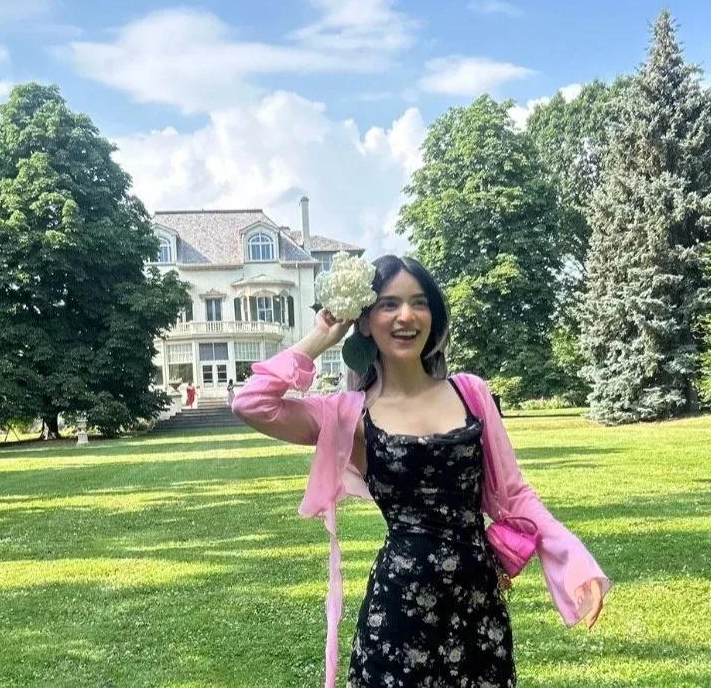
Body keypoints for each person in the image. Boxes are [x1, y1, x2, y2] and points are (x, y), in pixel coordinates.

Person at [232, 254, 609, 688]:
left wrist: (576, 561)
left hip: (476, 609)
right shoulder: (349, 415)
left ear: (433, 314)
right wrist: (323, 334)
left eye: (419, 302)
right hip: (397, 613)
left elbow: (515, 495)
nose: (406, 315)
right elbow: (252, 403)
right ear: (367, 320)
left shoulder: (471, 393)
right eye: (389, 304)